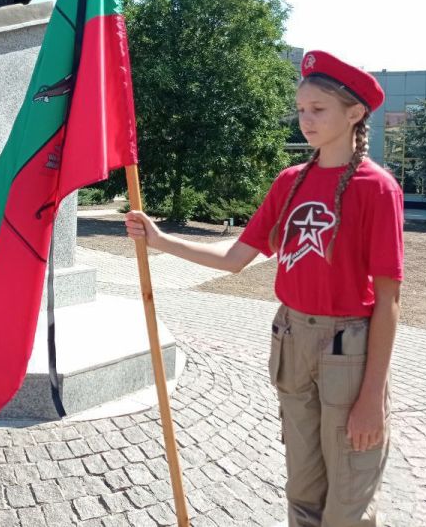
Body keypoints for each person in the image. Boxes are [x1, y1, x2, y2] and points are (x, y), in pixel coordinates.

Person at [125, 51, 404, 527]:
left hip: (349, 352)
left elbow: (388, 301)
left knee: (348, 505)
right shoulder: (290, 182)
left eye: (318, 109)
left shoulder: (377, 188)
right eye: (301, 110)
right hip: (292, 342)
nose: (305, 121)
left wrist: (372, 395)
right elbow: (235, 259)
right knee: (303, 491)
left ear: (355, 113)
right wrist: (162, 241)